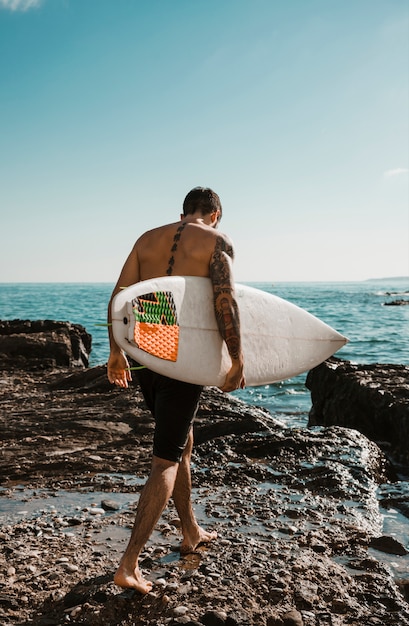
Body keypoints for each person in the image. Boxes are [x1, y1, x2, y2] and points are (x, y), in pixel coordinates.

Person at [107, 187, 245, 594]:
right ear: (215, 214)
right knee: (165, 459)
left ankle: (190, 531)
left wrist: (117, 352)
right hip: (182, 358)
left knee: (182, 440)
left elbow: (119, 297)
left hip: (147, 351)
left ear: (184, 212)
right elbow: (226, 302)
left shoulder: (146, 239)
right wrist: (236, 359)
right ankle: (129, 565)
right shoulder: (217, 241)